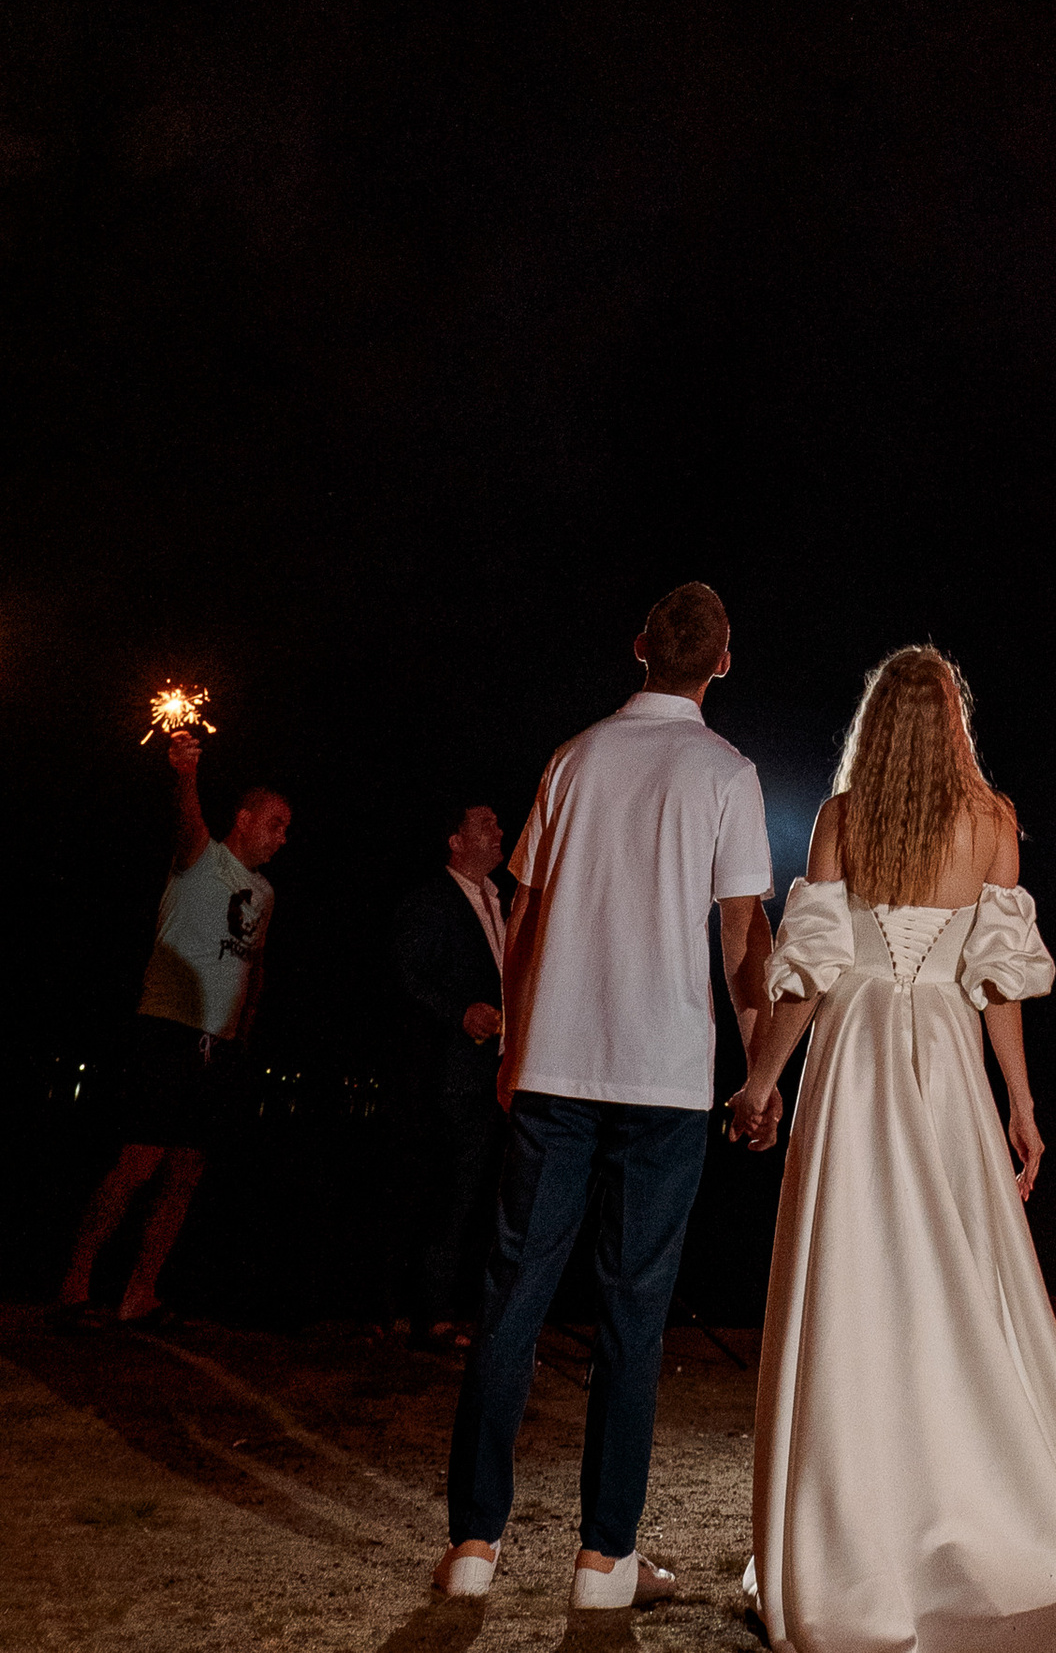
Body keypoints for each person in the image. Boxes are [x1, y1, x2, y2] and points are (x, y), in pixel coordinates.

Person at [728, 647, 1056, 1653]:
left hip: (856, 1053)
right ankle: (953, 1494)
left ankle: (854, 1524)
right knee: (952, 1276)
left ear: (875, 725)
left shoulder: (843, 818)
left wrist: (761, 1080)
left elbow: (814, 970)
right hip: (943, 1054)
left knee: (856, 1272)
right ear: (953, 724)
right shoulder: (993, 822)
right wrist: (1019, 1100)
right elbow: (996, 979)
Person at [436, 583, 772, 1612]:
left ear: (638, 648)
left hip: (556, 1068)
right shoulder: (727, 772)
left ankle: (474, 1545)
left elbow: (529, 917)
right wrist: (760, 1069)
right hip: (663, 1078)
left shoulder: (574, 758)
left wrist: (515, 1046)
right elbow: (741, 938)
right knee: (635, 1312)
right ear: (723, 662)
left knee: (513, 1299)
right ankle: (603, 1560)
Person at [58, 726, 291, 1328]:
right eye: (275, 825)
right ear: (243, 819)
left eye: (286, 829)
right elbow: (187, 818)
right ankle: (74, 1286)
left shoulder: (265, 893)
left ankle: (139, 1295)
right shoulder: (201, 857)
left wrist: (243, 1035)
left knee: (186, 1170)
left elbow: (255, 966)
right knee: (138, 1161)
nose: (282, 838)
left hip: (219, 1046)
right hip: (167, 1027)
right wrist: (186, 772)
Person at [392, 801, 509, 1355]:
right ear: (455, 841)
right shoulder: (431, 901)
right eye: (485, 825)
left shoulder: (499, 901)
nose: (499, 831)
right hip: (447, 1072)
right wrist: (459, 1012)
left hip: (494, 1072)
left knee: (477, 1194)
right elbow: (404, 978)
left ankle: (460, 1307)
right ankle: (428, 1313)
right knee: (447, 1191)